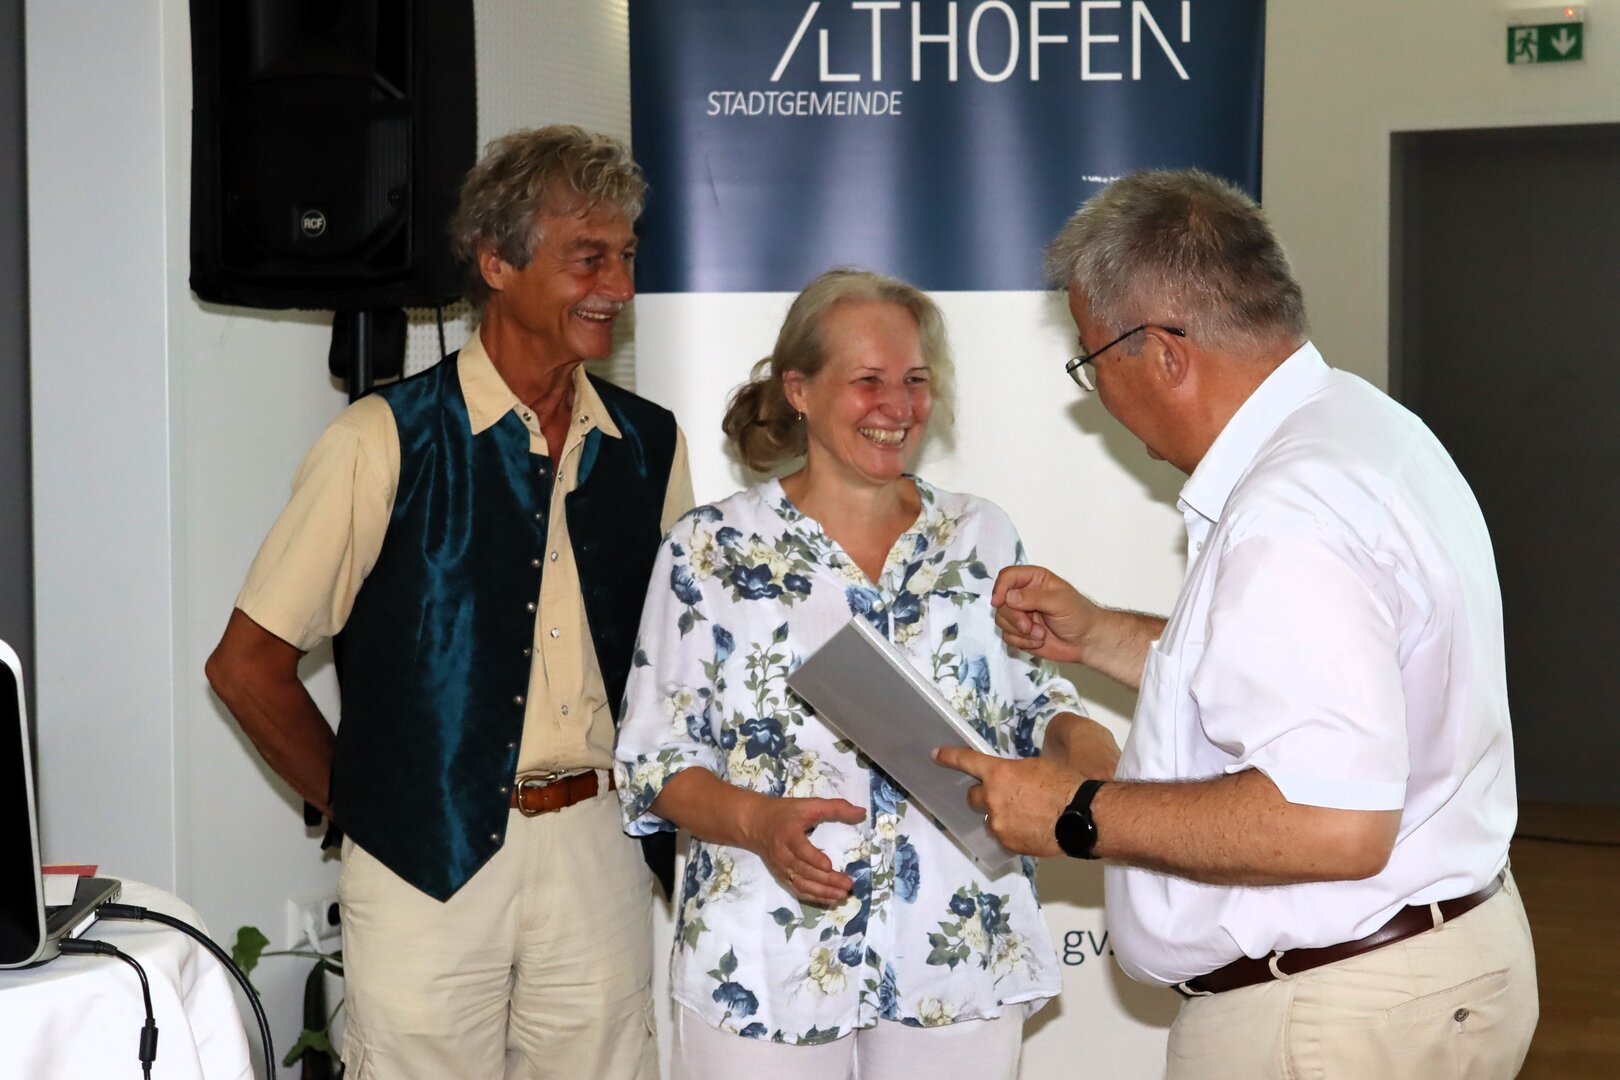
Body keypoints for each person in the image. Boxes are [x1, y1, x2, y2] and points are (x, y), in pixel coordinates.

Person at [936, 169, 1538, 1079]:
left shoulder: (1286, 513)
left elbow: (1332, 822)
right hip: (1422, 967)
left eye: (1093, 362)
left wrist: (1076, 812)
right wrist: (1099, 634)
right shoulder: (1362, 427)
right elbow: (1318, 680)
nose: (1097, 393)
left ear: (1162, 353)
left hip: (1331, 1014)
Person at [205, 125, 692, 1080]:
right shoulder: (381, 438)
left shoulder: (650, 445)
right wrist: (371, 805)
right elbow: (246, 668)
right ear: (497, 263)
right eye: (589, 258)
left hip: (599, 851)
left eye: (627, 257)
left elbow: (679, 670)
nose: (620, 287)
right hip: (420, 868)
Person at [614, 269, 1111, 1079]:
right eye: (868, 380)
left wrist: (1082, 746)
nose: (898, 406)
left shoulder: (979, 534)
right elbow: (653, 761)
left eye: (915, 380)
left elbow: (1032, 700)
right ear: (799, 390)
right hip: (764, 958)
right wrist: (757, 822)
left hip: (955, 947)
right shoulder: (710, 549)